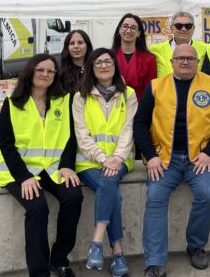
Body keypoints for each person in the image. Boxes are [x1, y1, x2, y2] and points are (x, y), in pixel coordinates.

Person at [133, 44, 210, 277]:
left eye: (190, 58)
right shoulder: (156, 87)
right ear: (171, 62)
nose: (185, 62)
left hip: (199, 159)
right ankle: (155, 263)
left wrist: (209, 152)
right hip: (164, 160)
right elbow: (139, 123)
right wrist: (151, 156)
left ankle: (196, 245)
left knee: (207, 195)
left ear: (197, 62)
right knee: (155, 199)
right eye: (180, 58)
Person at [0, 54, 82, 277]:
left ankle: (59, 259)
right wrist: (23, 177)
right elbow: (6, 144)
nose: (45, 74)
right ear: (30, 71)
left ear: (56, 75)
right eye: (40, 69)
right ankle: (39, 272)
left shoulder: (65, 100)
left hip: (53, 168)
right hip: (21, 172)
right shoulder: (12, 102)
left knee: (73, 196)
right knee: (38, 208)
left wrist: (66, 165)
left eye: (50, 71)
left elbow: (72, 137)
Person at [73, 48, 136, 276]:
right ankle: (117, 252)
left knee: (108, 182)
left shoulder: (128, 94)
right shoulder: (80, 96)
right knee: (112, 190)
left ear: (115, 65)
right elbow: (82, 135)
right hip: (90, 162)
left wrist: (117, 158)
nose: (103, 65)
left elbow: (128, 130)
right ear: (91, 66)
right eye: (97, 62)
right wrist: (102, 158)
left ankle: (97, 242)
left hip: (120, 160)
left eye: (108, 61)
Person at [112, 13, 156, 102]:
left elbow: (150, 90)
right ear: (119, 30)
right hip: (112, 108)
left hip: (138, 108)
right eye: (125, 26)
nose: (128, 31)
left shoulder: (149, 59)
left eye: (133, 28)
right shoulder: (109, 56)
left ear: (139, 33)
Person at [149, 11, 207, 78]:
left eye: (188, 26)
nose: (183, 29)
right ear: (171, 28)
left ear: (193, 28)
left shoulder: (205, 49)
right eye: (178, 26)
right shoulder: (155, 50)